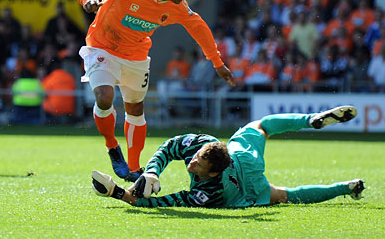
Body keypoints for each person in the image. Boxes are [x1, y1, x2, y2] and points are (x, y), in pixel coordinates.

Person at [76, 0, 235, 182]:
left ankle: (133, 167)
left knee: (135, 108)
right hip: (102, 47)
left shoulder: (177, 6)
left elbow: (198, 27)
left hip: (136, 56)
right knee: (104, 96)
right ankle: (112, 145)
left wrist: (217, 63)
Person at [92, 105, 365, 208]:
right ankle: (311, 120)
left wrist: (120, 194)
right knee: (262, 126)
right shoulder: (205, 144)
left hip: (244, 187)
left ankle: (344, 187)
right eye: (196, 156)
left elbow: (165, 203)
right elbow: (170, 148)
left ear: (211, 173)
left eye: (198, 164)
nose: (192, 162)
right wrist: (152, 171)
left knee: (285, 195)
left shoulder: (209, 193)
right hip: (243, 156)